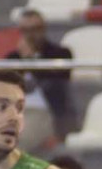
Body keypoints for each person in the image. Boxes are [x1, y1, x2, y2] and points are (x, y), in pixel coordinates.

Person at [6, 9, 74, 140]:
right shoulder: (12, 58)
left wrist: (31, 59)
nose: (31, 35)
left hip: (47, 113)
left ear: (43, 29)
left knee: (15, 139)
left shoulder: (60, 54)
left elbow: (56, 83)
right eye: (25, 30)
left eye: (35, 29)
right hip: (15, 113)